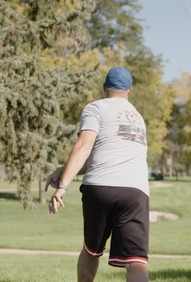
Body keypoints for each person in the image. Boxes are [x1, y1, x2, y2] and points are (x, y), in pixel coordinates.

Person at [45, 67, 150, 282]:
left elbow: (85, 145)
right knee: (136, 261)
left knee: (91, 250)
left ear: (104, 88)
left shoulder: (96, 108)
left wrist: (63, 185)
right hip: (136, 193)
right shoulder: (138, 118)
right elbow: (109, 154)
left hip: (100, 188)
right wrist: (64, 171)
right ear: (130, 90)